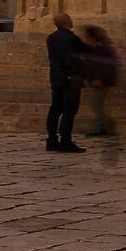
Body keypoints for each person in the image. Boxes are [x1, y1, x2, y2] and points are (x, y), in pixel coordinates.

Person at [44, 12, 86, 153]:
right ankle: (66, 141)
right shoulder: (72, 38)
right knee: (69, 111)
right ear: (68, 22)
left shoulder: (51, 38)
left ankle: (51, 140)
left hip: (56, 78)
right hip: (71, 79)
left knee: (55, 110)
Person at [79, 26, 121, 138]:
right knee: (96, 104)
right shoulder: (97, 48)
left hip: (101, 81)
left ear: (91, 37)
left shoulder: (102, 48)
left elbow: (105, 65)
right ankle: (106, 126)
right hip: (97, 80)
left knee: (96, 104)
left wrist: (100, 79)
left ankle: (102, 127)